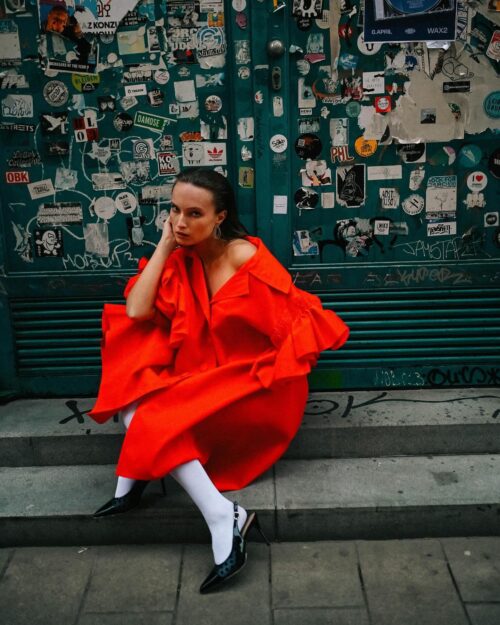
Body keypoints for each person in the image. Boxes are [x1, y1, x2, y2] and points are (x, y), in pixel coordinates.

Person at [89, 169, 349, 593]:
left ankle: (193, 506)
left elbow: (296, 325)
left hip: (257, 383)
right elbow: (137, 310)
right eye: (174, 210)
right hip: (208, 375)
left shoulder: (243, 256)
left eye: (194, 213)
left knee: (145, 414)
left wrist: (263, 371)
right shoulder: (180, 255)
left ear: (220, 218)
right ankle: (223, 514)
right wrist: (164, 245)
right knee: (133, 396)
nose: (180, 222)